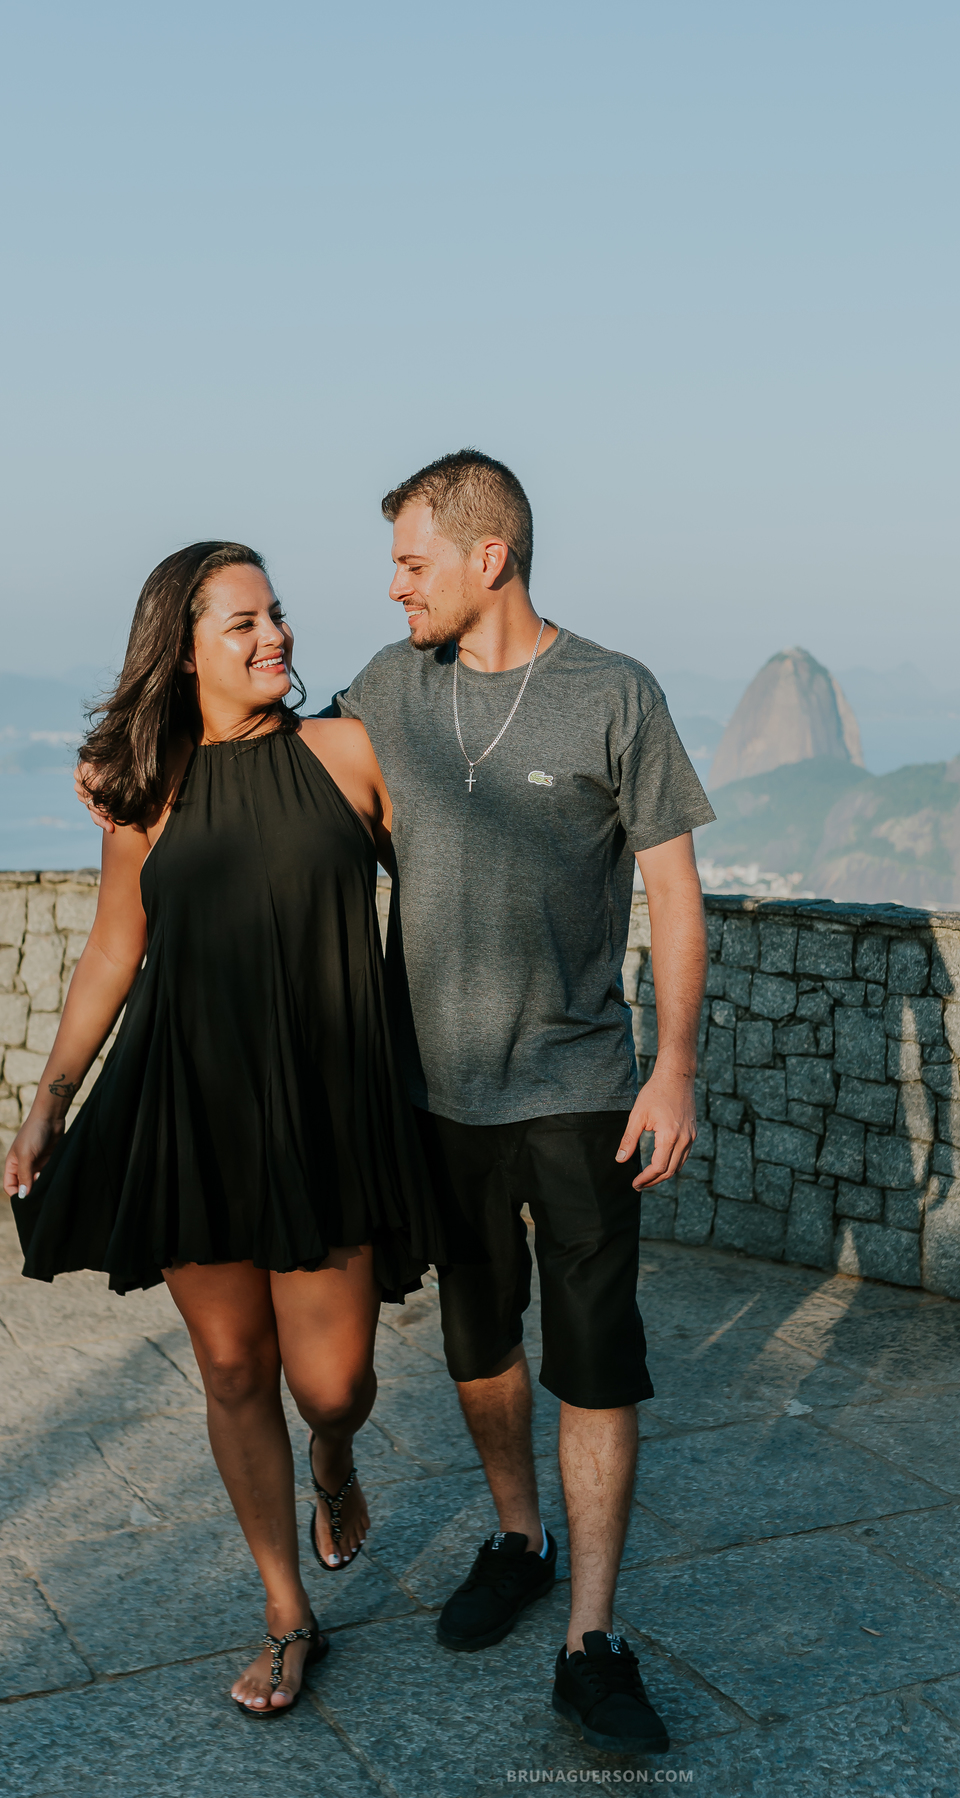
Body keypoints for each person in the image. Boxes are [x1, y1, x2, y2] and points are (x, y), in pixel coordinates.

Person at [8, 540, 448, 1718]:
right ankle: (285, 1611)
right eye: (242, 624)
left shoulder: (345, 754)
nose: (275, 638)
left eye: (278, 616)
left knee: (336, 1378)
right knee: (233, 1364)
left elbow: (446, 895)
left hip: (326, 1105)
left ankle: (336, 1458)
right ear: (184, 649)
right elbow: (115, 945)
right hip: (193, 1101)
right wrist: (51, 1095)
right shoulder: (146, 789)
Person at [325, 450, 714, 1754]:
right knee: (479, 1343)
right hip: (444, 1101)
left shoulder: (615, 693)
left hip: (586, 1088)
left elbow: (672, 891)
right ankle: (516, 1536)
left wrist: (674, 1064)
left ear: (488, 557)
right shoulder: (389, 689)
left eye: (411, 562)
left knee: (595, 1361)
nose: (393, 589)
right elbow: (276, 783)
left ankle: (591, 1641)